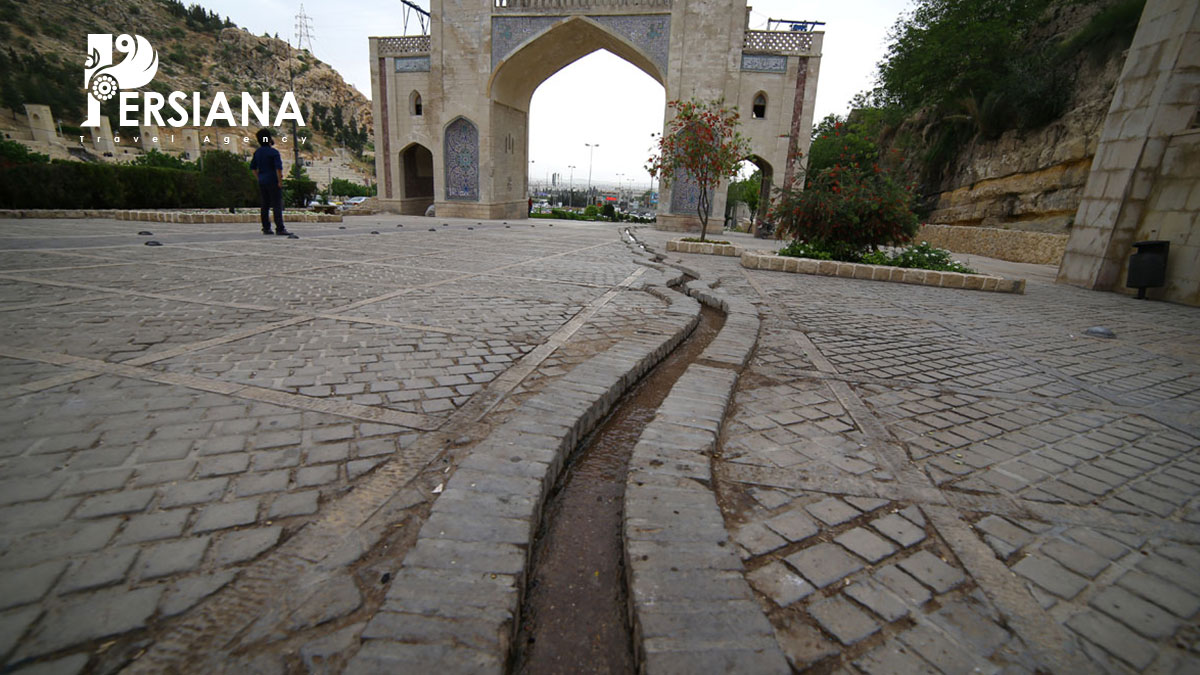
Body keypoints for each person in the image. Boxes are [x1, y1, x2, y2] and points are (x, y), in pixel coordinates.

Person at [249, 128, 289, 236]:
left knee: (265, 205)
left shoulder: (257, 152)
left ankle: (266, 228)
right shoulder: (274, 152)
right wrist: (280, 181)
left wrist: (259, 177)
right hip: (273, 181)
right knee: (276, 205)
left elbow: (253, 168)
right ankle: (280, 228)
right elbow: (278, 168)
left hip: (263, 181)